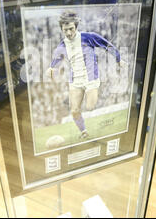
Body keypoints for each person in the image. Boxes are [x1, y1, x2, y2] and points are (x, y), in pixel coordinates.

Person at [46, 11, 126, 139]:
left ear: (76, 26)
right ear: (61, 29)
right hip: (75, 81)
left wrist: (118, 59)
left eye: (71, 29)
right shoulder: (62, 45)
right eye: (65, 30)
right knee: (74, 110)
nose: (68, 33)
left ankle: (100, 103)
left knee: (89, 107)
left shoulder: (88, 37)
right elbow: (56, 59)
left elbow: (106, 45)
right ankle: (84, 131)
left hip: (90, 78)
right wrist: (51, 68)